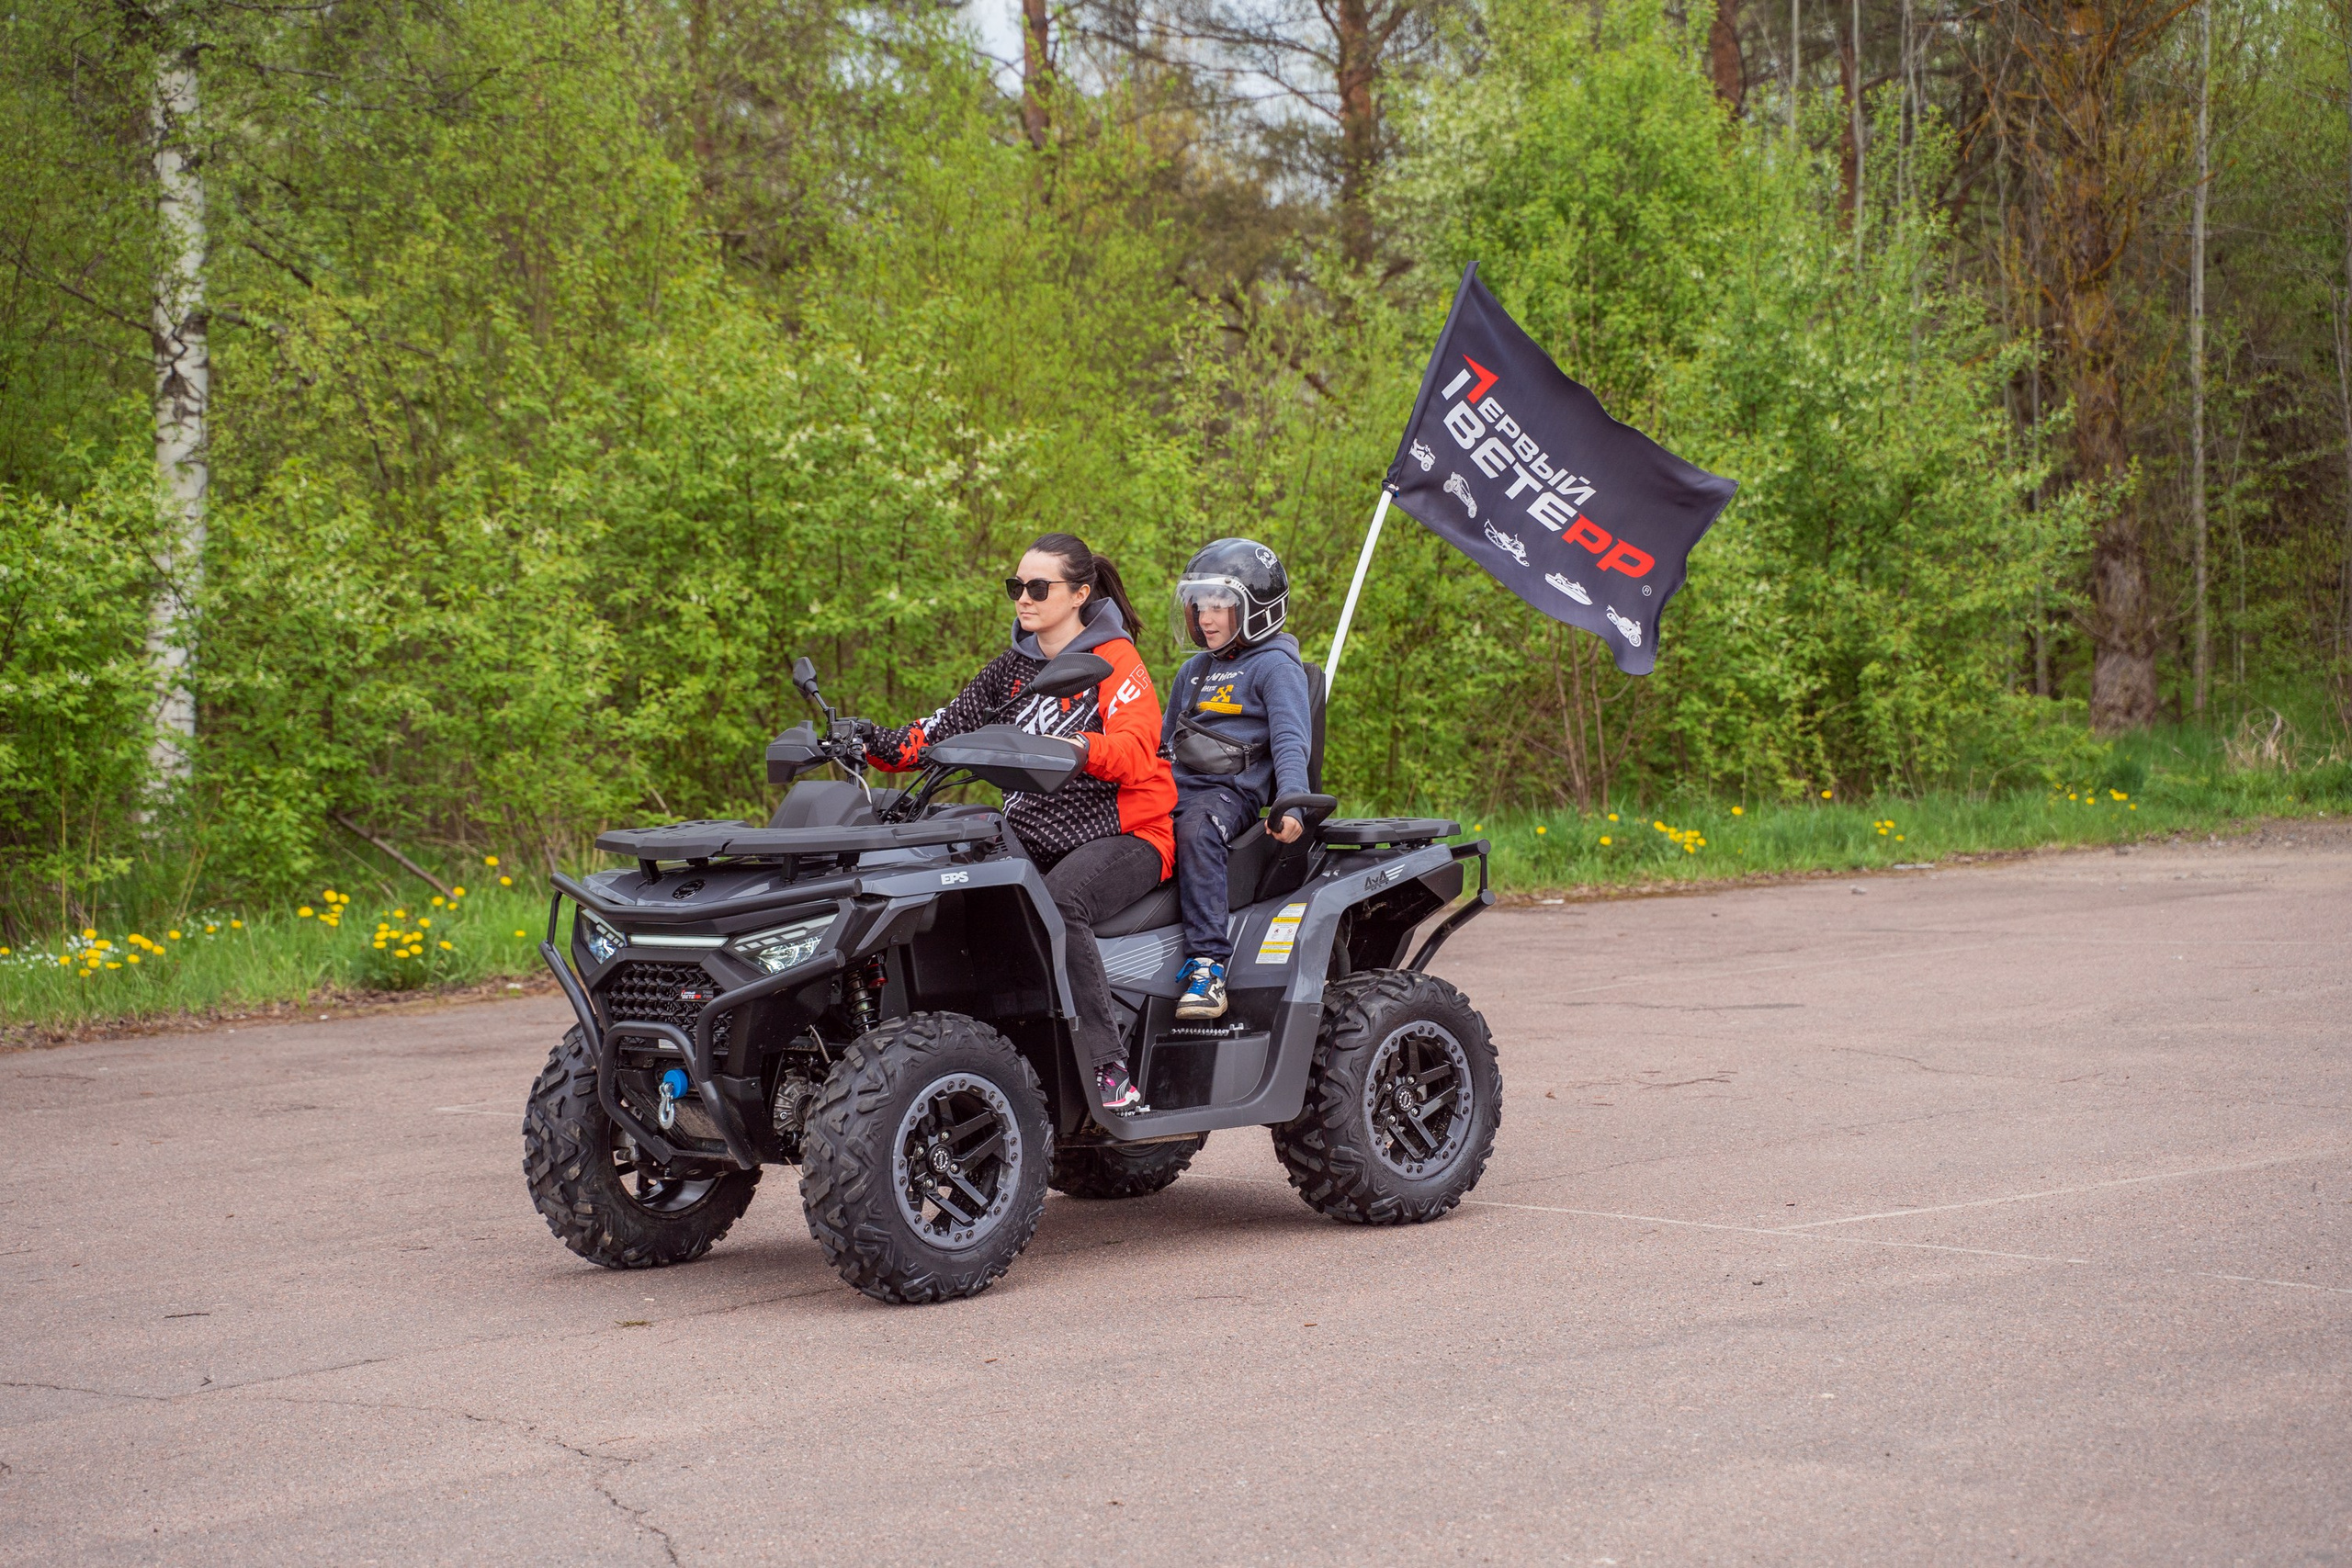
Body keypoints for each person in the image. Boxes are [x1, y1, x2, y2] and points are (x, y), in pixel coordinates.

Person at [865, 534, 1176, 1113]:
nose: (1023, 598)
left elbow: (1139, 750)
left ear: (1080, 593)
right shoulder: (1012, 669)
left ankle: (1109, 1068)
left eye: (1038, 587)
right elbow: (938, 732)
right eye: (1016, 586)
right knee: (959, 890)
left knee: (1060, 903)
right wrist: (868, 743)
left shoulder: (1115, 660)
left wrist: (1079, 748)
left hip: (1128, 834)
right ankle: (981, 1058)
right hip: (1035, 833)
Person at [1161, 538, 1313, 1021]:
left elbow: (1290, 739)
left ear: (1256, 609)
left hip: (1229, 795)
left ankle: (1208, 968)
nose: (1205, 618)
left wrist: (1293, 801)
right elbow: (1164, 746)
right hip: (1177, 786)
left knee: (1196, 829)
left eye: (1219, 605)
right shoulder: (1192, 670)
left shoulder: (1275, 666)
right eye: (1199, 605)